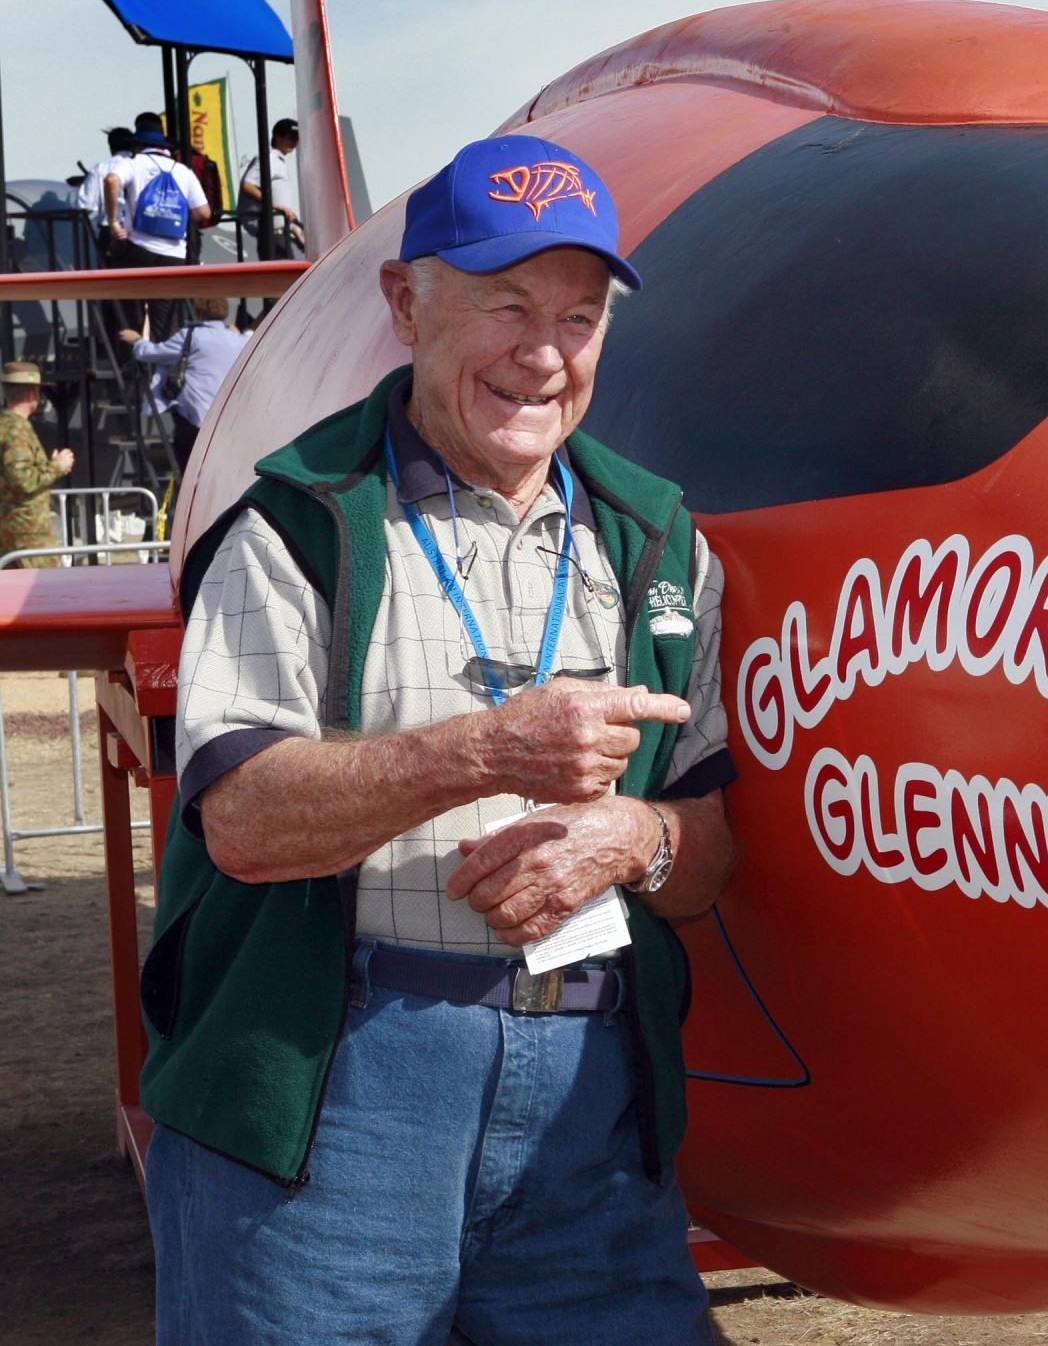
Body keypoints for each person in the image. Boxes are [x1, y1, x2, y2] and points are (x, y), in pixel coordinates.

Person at [144, 135, 736, 1342]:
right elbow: (244, 821)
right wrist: (488, 750)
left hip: (587, 1103)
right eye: (505, 304)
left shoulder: (660, 542)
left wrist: (633, 835)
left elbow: (710, 845)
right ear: (405, 304)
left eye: (578, 316)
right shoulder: (297, 523)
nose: (542, 353)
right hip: (328, 1090)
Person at [102, 118, 212, 341]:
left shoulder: (135, 163)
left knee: (128, 315)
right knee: (166, 323)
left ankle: (133, 365)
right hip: (174, 257)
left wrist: (114, 221)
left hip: (137, 251)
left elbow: (111, 180)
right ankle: (165, 371)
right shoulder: (184, 171)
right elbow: (204, 213)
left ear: (137, 144)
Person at [118, 297, 248, 473]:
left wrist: (137, 340)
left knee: (188, 467)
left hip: (194, 418)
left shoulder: (191, 336)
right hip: (227, 418)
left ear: (199, 312)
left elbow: (153, 353)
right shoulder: (237, 341)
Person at [0, 362, 76, 567]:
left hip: (13, 531)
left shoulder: (6, 425)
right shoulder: (16, 431)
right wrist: (56, 467)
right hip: (28, 535)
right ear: (32, 392)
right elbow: (21, 478)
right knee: (45, 593)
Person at [240, 117, 304, 256]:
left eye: (296, 138)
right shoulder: (270, 158)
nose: (294, 142)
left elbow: (282, 200)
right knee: (283, 276)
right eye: (291, 137)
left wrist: (295, 231)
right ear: (278, 136)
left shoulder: (280, 161)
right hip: (270, 233)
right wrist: (276, 206)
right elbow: (248, 185)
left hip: (282, 232)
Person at [75, 127, 136, 261]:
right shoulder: (139, 164)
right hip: (139, 232)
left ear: (110, 146)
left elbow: (85, 204)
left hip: (110, 231)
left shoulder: (100, 167)